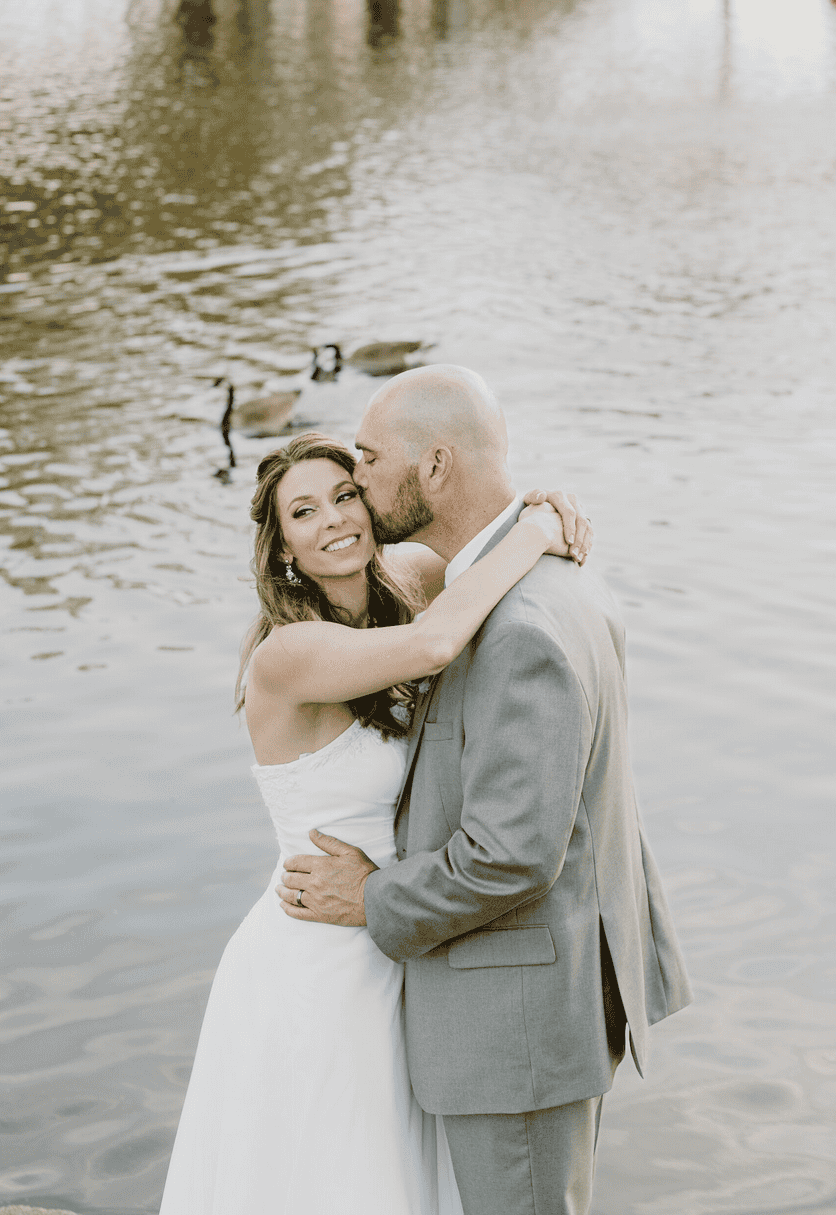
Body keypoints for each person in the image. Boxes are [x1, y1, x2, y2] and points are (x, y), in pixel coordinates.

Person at [278, 365, 693, 1215]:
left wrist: (374, 895)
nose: (355, 483)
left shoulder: (518, 630)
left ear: (434, 468)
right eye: (308, 506)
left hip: (518, 1029)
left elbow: (509, 857)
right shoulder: (525, 578)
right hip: (524, 1006)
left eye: (367, 457)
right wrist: (536, 519)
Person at [158, 425, 591, 1215]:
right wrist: (536, 533)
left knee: (400, 1163)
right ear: (283, 544)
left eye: (346, 494)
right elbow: (433, 643)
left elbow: (469, 555)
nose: (334, 519)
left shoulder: (404, 581)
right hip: (316, 953)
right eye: (305, 511)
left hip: (394, 932)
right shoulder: (287, 655)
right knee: (332, 1169)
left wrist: (542, 503)